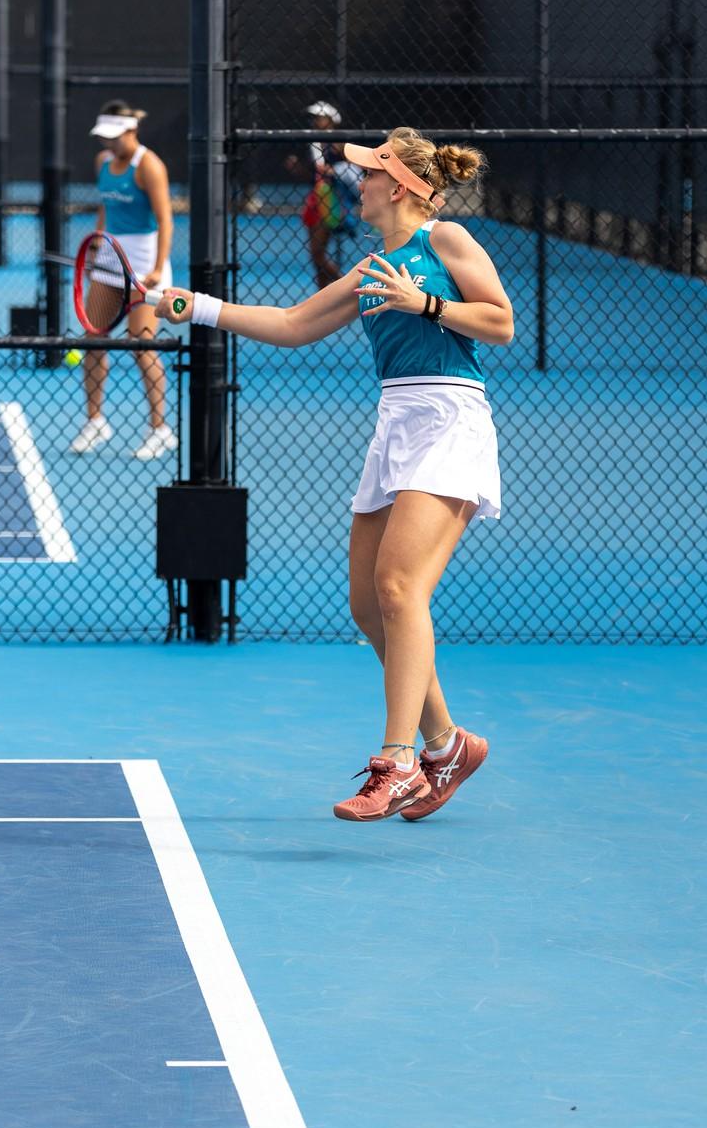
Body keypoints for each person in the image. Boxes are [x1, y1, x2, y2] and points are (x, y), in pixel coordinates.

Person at [155, 127, 514, 821]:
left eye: (367, 174)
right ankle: (447, 747)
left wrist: (426, 305)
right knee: (366, 603)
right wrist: (191, 306)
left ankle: (399, 763)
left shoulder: (447, 243)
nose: (358, 184)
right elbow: (293, 323)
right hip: (396, 424)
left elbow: (499, 323)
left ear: (400, 186)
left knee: (399, 586)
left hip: (450, 418)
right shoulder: (373, 264)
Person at [70, 101, 178, 462]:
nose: (108, 143)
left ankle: (159, 429)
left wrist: (159, 269)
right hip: (109, 259)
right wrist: (96, 242)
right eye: (105, 137)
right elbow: (106, 206)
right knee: (93, 338)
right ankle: (95, 421)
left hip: (145, 264)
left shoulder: (149, 166)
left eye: (114, 137)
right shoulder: (103, 162)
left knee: (141, 345)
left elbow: (166, 221)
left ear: (131, 131)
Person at [290, 102, 362, 288]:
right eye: (313, 118)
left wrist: (334, 170)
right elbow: (312, 176)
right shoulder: (312, 144)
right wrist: (297, 168)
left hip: (332, 199)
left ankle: (347, 287)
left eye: (319, 117)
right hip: (315, 198)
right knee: (316, 255)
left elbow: (354, 170)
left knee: (317, 252)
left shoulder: (338, 143)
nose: (315, 121)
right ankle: (323, 294)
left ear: (331, 121)